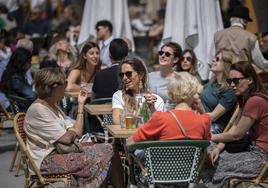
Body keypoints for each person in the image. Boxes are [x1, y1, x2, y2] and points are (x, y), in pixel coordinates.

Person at [24, 67, 124, 188]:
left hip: (62, 153)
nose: (66, 86)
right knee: (105, 153)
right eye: (64, 83)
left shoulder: (53, 106)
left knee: (110, 149)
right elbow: (67, 138)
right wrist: (71, 131)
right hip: (46, 161)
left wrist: (81, 104)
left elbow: (78, 132)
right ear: (53, 87)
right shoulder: (38, 110)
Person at [203, 61, 268, 188]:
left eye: (236, 81)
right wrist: (218, 148)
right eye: (229, 81)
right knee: (209, 153)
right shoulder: (246, 100)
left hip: (261, 158)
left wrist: (208, 137)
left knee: (211, 164)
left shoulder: (255, 101)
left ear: (249, 80)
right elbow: (232, 130)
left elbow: (236, 135)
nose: (232, 85)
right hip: (251, 151)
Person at [127, 71, 211, 144]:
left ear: (171, 92)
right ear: (193, 93)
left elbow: (131, 142)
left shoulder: (160, 118)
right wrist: (202, 111)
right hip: (191, 162)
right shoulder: (204, 121)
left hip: (160, 162)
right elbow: (208, 139)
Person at [212, 5, 268, 72]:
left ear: (231, 20)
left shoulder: (217, 35)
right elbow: (259, 60)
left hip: (221, 76)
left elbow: (211, 57)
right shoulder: (251, 37)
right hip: (241, 77)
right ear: (245, 22)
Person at [112, 57, 164, 125]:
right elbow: (116, 122)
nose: (124, 78)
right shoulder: (119, 95)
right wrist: (144, 108)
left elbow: (160, 125)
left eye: (128, 74)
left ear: (141, 75)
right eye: (122, 75)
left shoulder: (157, 100)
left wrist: (151, 107)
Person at [199, 49, 239, 134]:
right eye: (214, 58)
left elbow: (213, 117)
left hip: (214, 127)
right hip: (200, 120)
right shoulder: (212, 83)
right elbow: (196, 91)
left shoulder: (229, 90)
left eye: (217, 59)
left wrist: (197, 104)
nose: (213, 60)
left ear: (226, 64)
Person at [0, 47, 37, 112]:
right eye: (29, 62)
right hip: (22, 110)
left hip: (22, 107)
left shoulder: (10, 73)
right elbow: (32, 96)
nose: (30, 64)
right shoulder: (15, 79)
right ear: (22, 63)